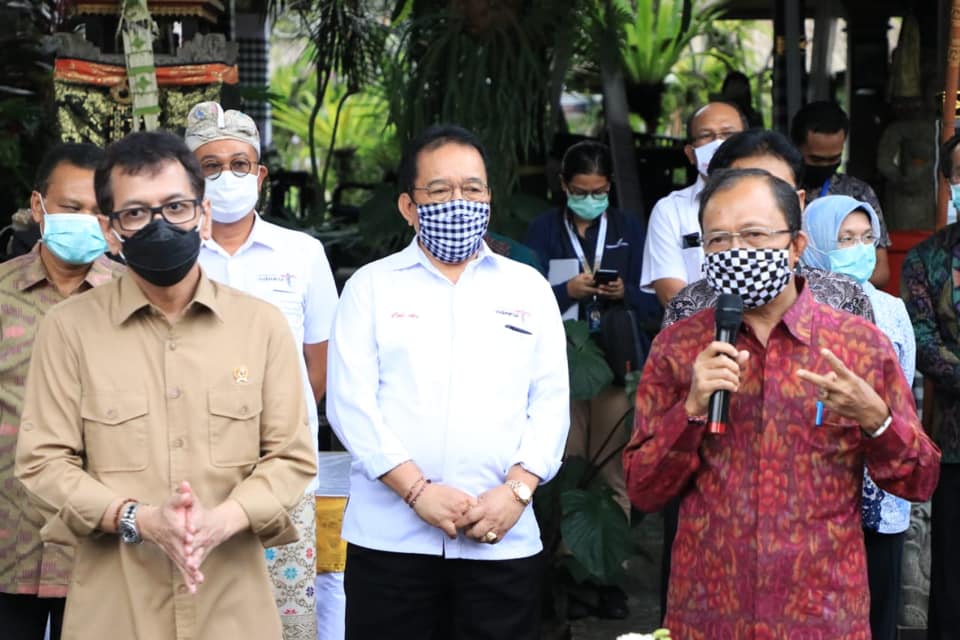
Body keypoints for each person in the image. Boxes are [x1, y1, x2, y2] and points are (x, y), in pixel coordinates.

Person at [14, 131, 317, 640]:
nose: (160, 224)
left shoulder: (260, 327)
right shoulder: (69, 329)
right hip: (115, 610)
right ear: (111, 231)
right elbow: (42, 462)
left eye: (176, 207)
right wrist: (136, 518)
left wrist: (222, 521)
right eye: (136, 213)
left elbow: (291, 458)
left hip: (234, 609)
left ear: (203, 216)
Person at [624, 167, 940, 638]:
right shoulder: (680, 347)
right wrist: (689, 409)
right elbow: (643, 489)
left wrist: (876, 419)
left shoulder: (859, 346)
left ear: (794, 246)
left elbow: (918, 479)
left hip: (822, 613)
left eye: (753, 234)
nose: (735, 252)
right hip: (709, 612)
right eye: (717, 240)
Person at [326, 124, 569, 639]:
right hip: (392, 542)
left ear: (489, 198)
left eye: (472, 189)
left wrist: (517, 492)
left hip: (501, 535)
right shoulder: (371, 287)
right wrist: (416, 491)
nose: (458, 202)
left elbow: (550, 403)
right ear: (409, 207)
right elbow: (350, 406)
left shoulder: (527, 287)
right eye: (439, 191)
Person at [184, 101, 339, 640]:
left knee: (282, 616)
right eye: (209, 166)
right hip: (187, 468)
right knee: (193, 611)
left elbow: (316, 369)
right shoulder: (169, 259)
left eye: (239, 163)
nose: (226, 177)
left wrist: (275, 432)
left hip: (281, 468)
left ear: (260, 174)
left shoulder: (302, 254)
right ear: (187, 176)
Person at [524, 140, 659, 619]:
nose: (591, 198)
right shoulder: (543, 230)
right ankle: (563, 573)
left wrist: (623, 293)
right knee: (564, 467)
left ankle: (607, 575)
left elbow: (653, 300)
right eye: (582, 190)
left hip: (611, 365)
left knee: (611, 472)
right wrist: (566, 290)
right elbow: (524, 293)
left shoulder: (627, 229)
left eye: (600, 190)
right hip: (558, 365)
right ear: (564, 187)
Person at [0, 142, 123, 640]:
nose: (86, 220)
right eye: (72, 208)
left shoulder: (132, 299)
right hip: (9, 536)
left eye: (99, 211)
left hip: (102, 541)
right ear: (38, 207)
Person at [801, 195, 915, 640]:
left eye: (867, 238)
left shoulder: (891, 310)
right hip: (816, 483)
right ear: (812, 244)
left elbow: (902, 397)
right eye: (844, 239)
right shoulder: (797, 309)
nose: (860, 249)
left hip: (880, 480)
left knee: (879, 604)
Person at [662, 129, 875, 327]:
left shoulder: (844, 297)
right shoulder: (688, 307)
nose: (759, 199)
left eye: (776, 188)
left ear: (799, 202)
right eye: (740, 188)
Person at [901, 132, 960, 640]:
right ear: (948, 182)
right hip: (955, 440)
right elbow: (923, 342)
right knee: (952, 570)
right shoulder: (926, 259)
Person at [641, 102, 748, 305]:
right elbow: (673, 298)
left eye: (728, 133)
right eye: (706, 136)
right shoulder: (670, 211)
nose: (718, 143)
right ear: (690, 153)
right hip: (698, 333)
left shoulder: (772, 203)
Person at [790, 100, 892, 286]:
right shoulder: (781, 192)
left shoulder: (857, 193)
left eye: (834, 158)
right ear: (796, 148)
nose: (824, 166)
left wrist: (841, 285)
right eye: (816, 159)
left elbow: (881, 272)